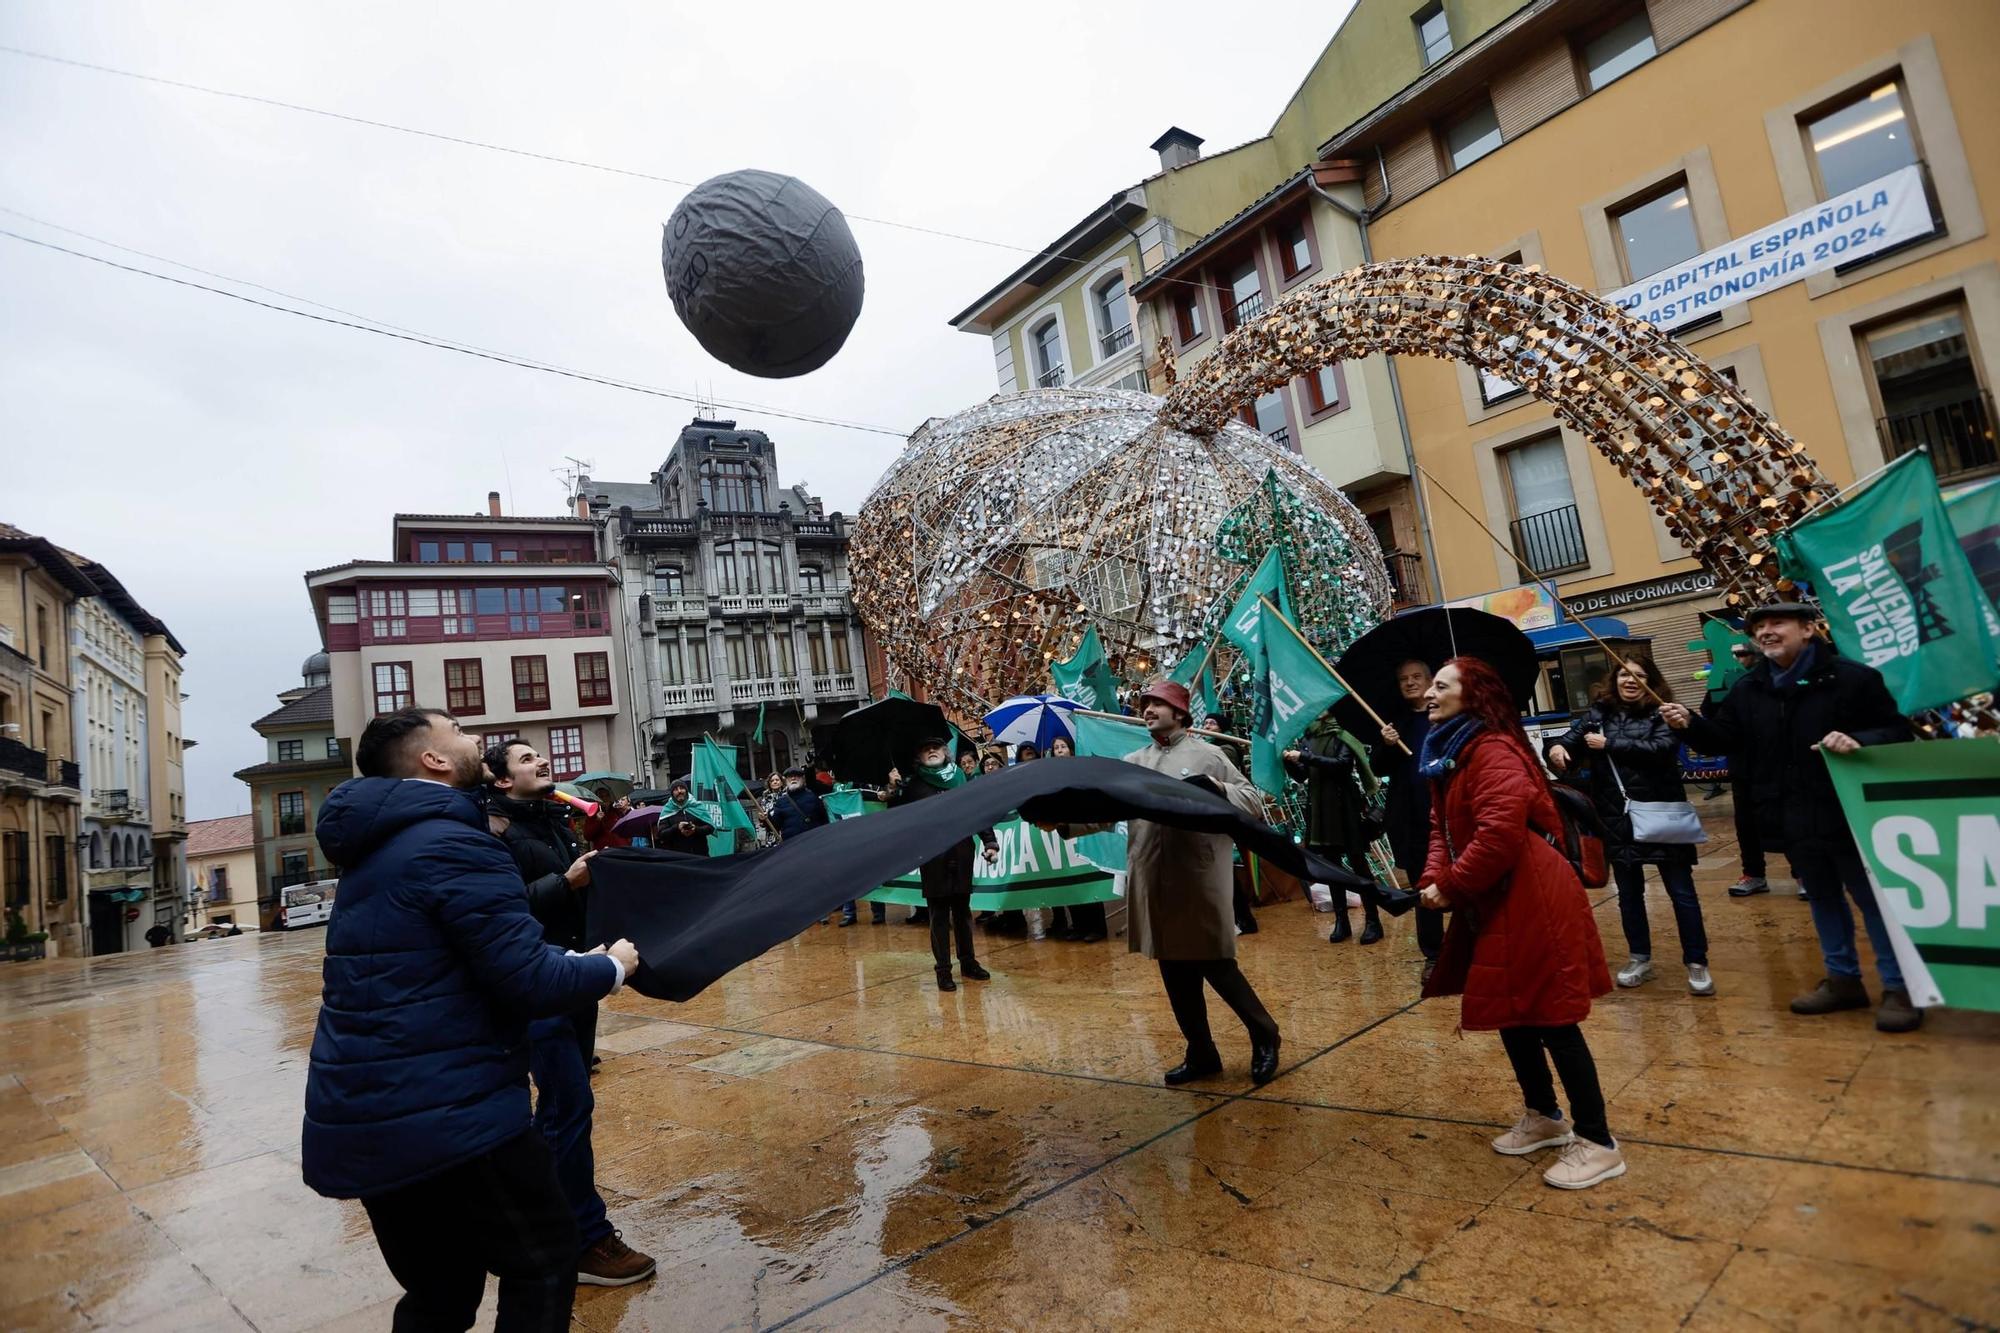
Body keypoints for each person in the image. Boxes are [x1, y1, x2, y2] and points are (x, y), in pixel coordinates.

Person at [303, 708, 643, 1329]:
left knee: (441, 1292)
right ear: (432, 759)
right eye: (457, 730)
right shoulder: (454, 841)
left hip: (366, 1110)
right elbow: (527, 980)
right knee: (544, 1259)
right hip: (449, 1109)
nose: (474, 739)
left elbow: (459, 956)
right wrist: (612, 967)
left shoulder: (377, 845)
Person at [1416, 659, 1624, 1190]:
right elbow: (1442, 827)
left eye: (1441, 686)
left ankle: (1599, 1142)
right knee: (1513, 1009)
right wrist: (1434, 877)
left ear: (1474, 696)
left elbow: (1498, 835)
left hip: (1533, 895)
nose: (1428, 695)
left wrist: (1453, 885)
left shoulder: (1492, 750)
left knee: (1552, 1016)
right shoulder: (1448, 753)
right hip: (1496, 896)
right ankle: (1544, 1116)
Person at [1661, 603, 1918, 1032]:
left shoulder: (1852, 678)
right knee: (1821, 897)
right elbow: (1726, 738)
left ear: (1808, 628)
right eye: (1758, 627)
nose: (1766, 632)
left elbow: (1896, 732)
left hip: (1848, 811)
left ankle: (1899, 987)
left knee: (1873, 901)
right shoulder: (1750, 688)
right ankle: (1843, 979)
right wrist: (1689, 723)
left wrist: (1857, 739)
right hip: (1792, 813)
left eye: (1777, 623)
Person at [483, 740, 657, 1289]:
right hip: (538, 982)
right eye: (526, 758)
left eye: (541, 755)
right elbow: (500, 911)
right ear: (502, 780)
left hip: (573, 975)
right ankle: (580, 1239)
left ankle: (535, 1219)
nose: (541, 762)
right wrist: (568, 881)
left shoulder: (554, 820)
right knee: (566, 1106)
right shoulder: (495, 832)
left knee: (564, 1107)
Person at [1059, 681, 1282, 1086]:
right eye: (1145, 704)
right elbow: (1109, 811)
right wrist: (1062, 821)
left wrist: (1217, 788)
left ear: (1180, 713)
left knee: (1216, 964)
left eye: (1157, 704)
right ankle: (1201, 1052)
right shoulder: (1133, 761)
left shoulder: (1209, 756)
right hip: (1151, 877)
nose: (1147, 710)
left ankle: (1265, 1034)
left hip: (1196, 878)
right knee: (1174, 971)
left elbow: (1253, 801)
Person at [1546, 656, 1712, 996]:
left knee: (1682, 894)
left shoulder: (1663, 711)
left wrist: (1610, 745)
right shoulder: (1599, 713)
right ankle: (1640, 958)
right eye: (1624, 674)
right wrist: (1558, 747)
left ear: (1652, 681)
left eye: (1639, 675)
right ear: (1614, 679)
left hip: (1662, 814)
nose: (1631, 681)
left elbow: (1662, 749)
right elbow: (1568, 739)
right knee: (1629, 896)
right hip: (1617, 819)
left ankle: (1697, 962)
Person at [885, 733, 1000, 990]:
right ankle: (943, 971)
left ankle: (968, 963)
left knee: (962, 912)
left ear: (945, 752)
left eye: (936, 747)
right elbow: (896, 817)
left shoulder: (961, 778)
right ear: (919, 758)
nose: (932, 751)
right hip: (933, 856)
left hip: (961, 852)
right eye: (926, 749)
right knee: (938, 915)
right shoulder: (913, 786)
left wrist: (989, 842)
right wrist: (894, 790)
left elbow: (977, 812)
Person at [1285, 721, 1383, 947]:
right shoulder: (1308, 736)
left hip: (1344, 807)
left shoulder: (1342, 733)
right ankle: (1342, 921)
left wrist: (1304, 757)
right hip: (1320, 810)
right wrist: (1288, 761)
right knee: (1331, 867)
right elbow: (1302, 776)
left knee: (1359, 864)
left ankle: (1373, 921)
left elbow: (1342, 765)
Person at [1374, 658, 1442, 977]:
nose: (1410, 683)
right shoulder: (1394, 724)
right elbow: (1377, 768)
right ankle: (1434, 954)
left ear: (1431, 680)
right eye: (1404, 679)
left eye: (1417, 677)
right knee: (1421, 887)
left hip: (1446, 816)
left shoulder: (1445, 717)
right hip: (1411, 821)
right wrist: (1386, 745)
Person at [1719, 641, 1774, 897]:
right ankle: (1753, 873)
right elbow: (1714, 717)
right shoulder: (1732, 683)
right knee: (1746, 824)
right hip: (1743, 766)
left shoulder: (1772, 679)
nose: (1738, 658)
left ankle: (1803, 873)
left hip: (1775, 762)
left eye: (1742, 654)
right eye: (1735, 654)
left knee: (1789, 819)